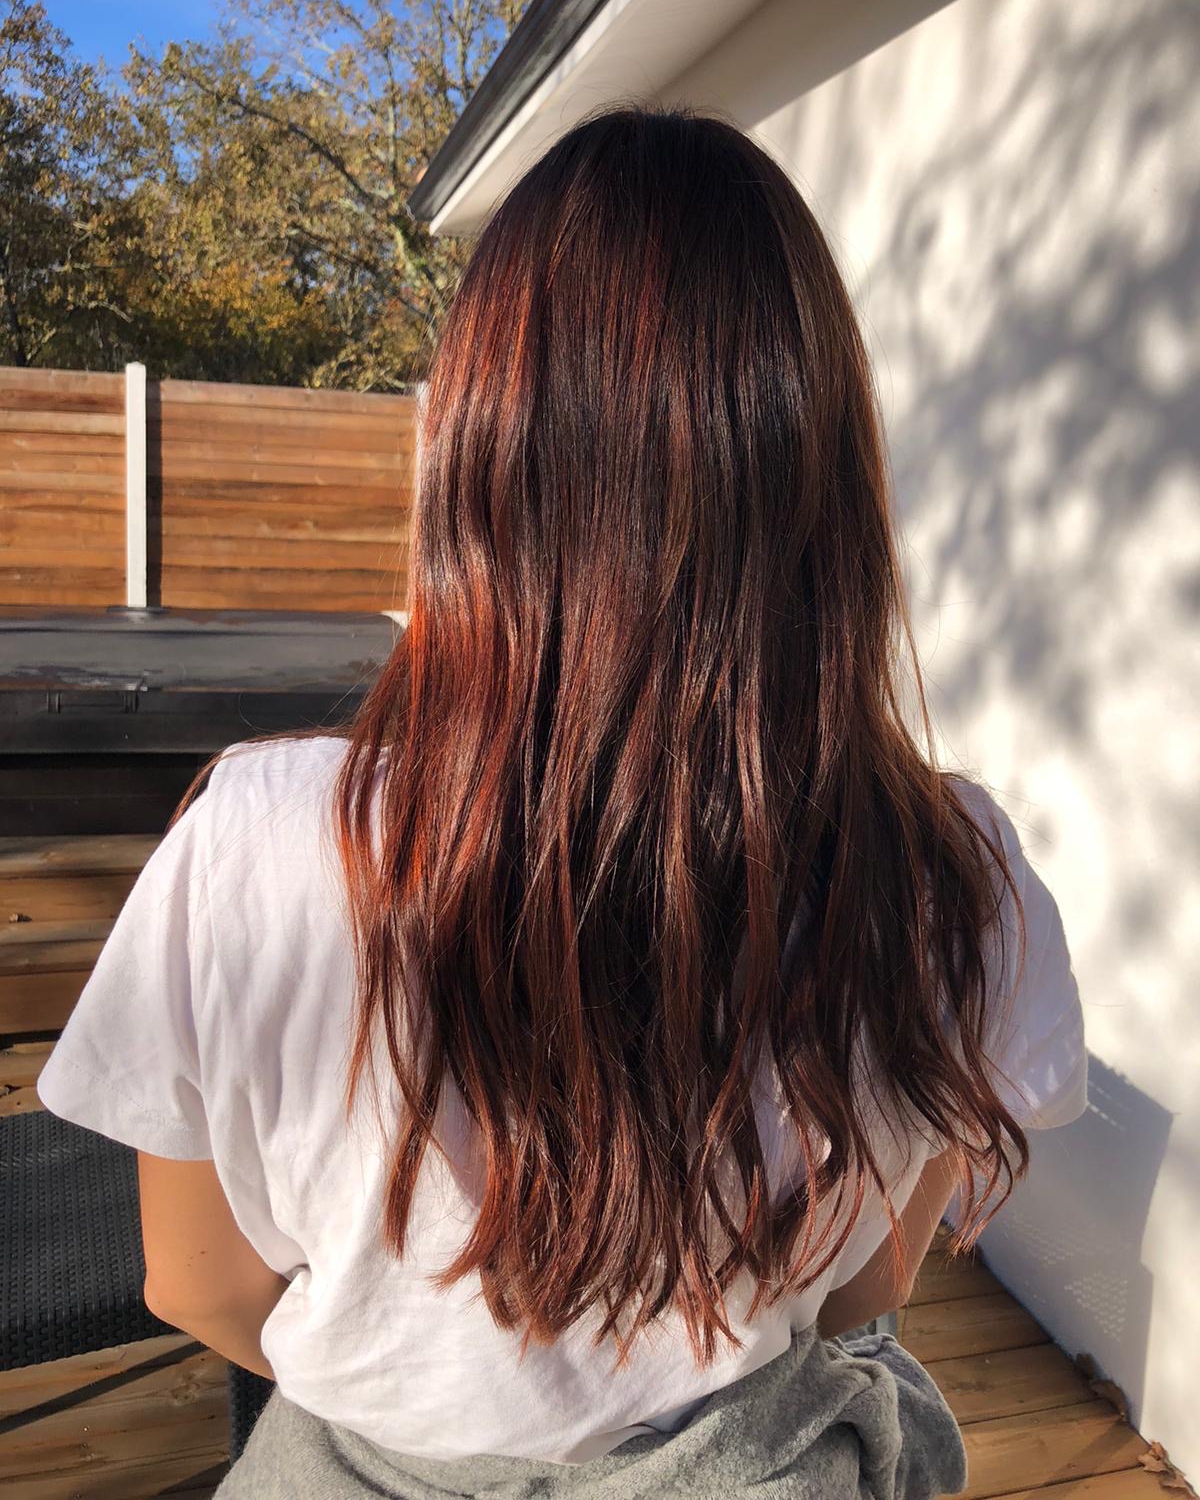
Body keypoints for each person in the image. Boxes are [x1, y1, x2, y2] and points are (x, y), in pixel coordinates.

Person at [37, 105, 1088, 1498]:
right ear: (829, 486)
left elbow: (196, 1283)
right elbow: (860, 1291)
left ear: (478, 457)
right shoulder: (954, 878)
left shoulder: (256, 840)